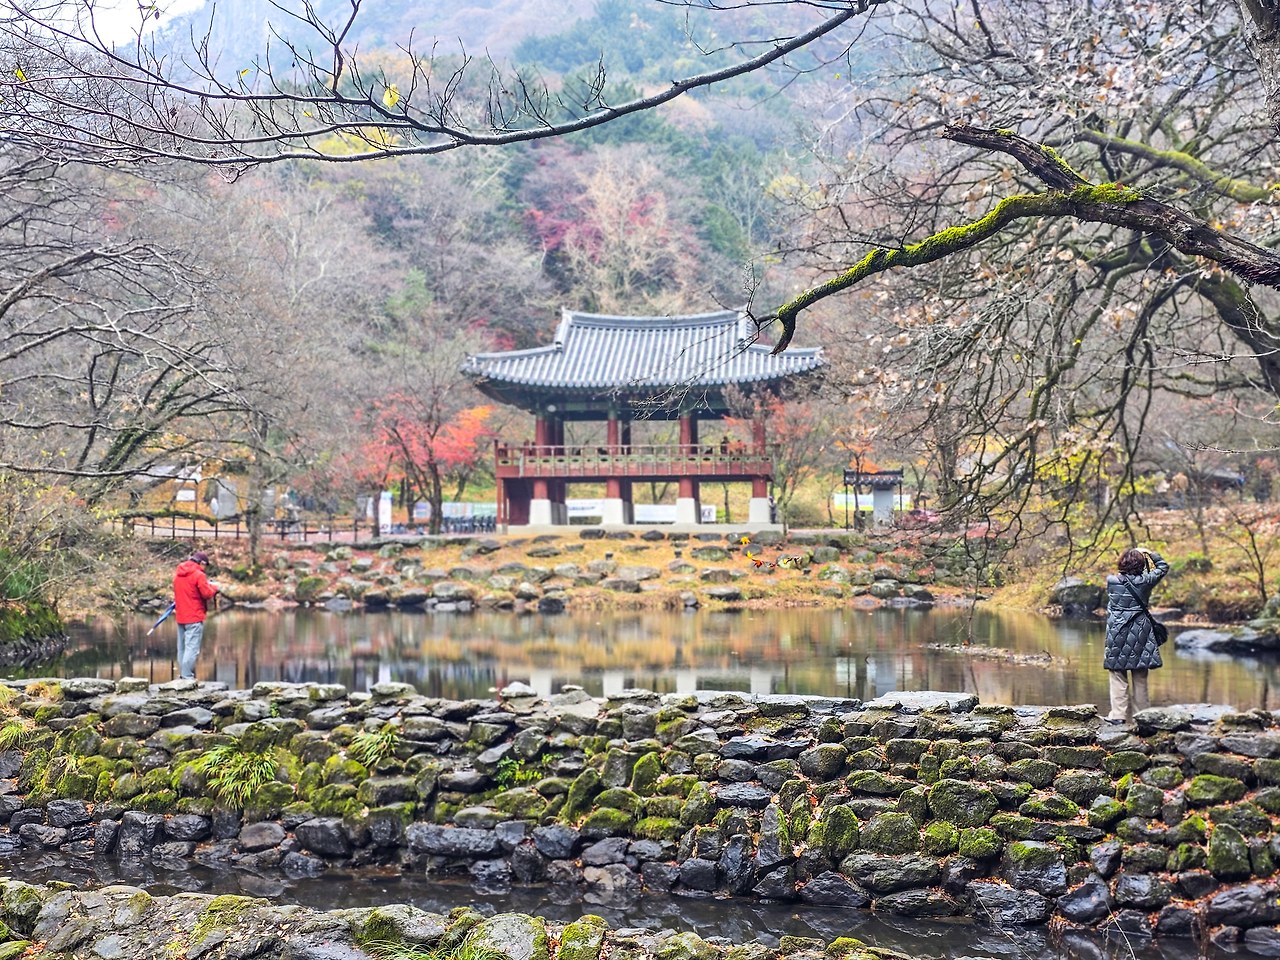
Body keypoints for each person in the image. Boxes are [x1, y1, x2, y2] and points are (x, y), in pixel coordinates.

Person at [1103, 546, 1169, 724]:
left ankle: (1118, 716)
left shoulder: (1112, 581)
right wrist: (1149, 553)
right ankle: (1142, 717)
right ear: (1141, 565)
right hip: (1141, 634)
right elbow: (1163, 567)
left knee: (1117, 674)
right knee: (1140, 675)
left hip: (1117, 633)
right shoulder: (1146, 581)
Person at [173, 551, 218, 680]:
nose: (205, 568)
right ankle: (187, 677)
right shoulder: (199, 575)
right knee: (192, 648)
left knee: (182, 648)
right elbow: (206, 593)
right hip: (194, 616)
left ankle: (183, 675)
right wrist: (215, 588)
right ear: (201, 563)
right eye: (205, 565)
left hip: (181, 616)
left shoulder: (178, 574)